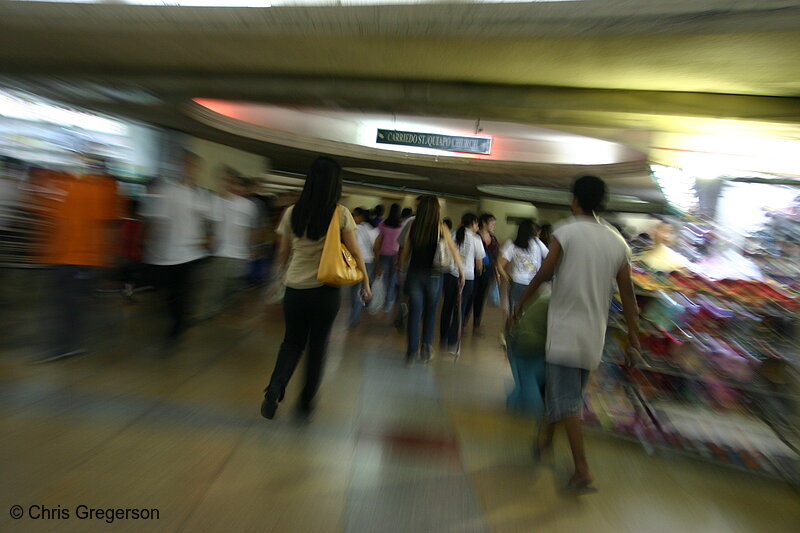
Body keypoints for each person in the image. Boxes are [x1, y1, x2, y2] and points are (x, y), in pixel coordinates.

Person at [510, 175, 641, 492]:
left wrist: (519, 306)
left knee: (566, 402)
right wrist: (635, 338)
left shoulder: (566, 231)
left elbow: (544, 272)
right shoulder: (617, 242)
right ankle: (543, 442)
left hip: (565, 330)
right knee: (564, 395)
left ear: (575, 200)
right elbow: (628, 295)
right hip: (594, 334)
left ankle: (582, 469)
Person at [261, 157, 371, 421]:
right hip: (325, 290)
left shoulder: (292, 212)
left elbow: (283, 254)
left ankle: (275, 386)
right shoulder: (340, 213)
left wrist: (277, 281)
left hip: (295, 289)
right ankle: (305, 404)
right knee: (318, 347)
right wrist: (365, 282)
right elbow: (355, 252)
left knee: (292, 341)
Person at [36, 162, 122, 362]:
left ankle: (66, 346)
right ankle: (69, 344)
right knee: (68, 303)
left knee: (68, 304)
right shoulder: (67, 183)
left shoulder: (102, 188)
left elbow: (109, 226)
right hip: (65, 258)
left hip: (82, 259)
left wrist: (107, 256)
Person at [140, 149, 213, 351]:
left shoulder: (202, 194)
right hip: (168, 253)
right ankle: (178, 321)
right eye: (185, 165)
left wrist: (208, 236)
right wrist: (150, 244)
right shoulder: (168, 190)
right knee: (170, 293)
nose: (189, 169)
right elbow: (156, 221)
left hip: (191, 253)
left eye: (193, 166)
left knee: (184, 292)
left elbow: (208, 221)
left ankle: (177, 329)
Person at [399, 196, 463, 364]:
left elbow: (406, 250)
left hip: (414, 274)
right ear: (436, 210)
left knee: (414, 312)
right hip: (434, 276)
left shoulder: (413, 226)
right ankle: (426, 348)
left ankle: (411, 351)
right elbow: (453, 251)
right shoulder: (441, 228)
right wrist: (461, 271)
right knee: (430, 313)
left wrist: (401, 268)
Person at [200, 167, 259, 320]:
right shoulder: (217, 201)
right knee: (215, 286)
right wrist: (208, 242)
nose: (234, 187)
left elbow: (251, 230)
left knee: (234, 287)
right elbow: (212, 226)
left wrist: (252, 249)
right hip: (221, 252)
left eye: (237, 184)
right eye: (230, 182)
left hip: (240, 254)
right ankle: (211, 312)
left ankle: (228, 311)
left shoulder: (248, 206)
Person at [440, 213, 484, 353]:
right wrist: (480, 272)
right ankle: (452, 342)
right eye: (477, 224)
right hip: (468, 278)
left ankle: (443, 337)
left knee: (447, 306)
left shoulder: (453, 234)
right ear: (473, 223)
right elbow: (479, 264)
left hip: (451, 275)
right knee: (460, 309)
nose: (478, 226)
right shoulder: (476, 239)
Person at [498, 219, 549, 313]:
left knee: (515, 312)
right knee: (529, 313)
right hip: (533, 284)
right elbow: (548, 257)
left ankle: (512, 327)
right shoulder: (537, 243)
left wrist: (507, 278)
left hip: (517, 283)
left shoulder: (512, 244)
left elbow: (499, 265)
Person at [350, 207, 378, 326]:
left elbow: (353, 248)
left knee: (355, 290)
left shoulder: (355, 229)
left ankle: (354, 317)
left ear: (361, 216)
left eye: (355, 215)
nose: (353, 217)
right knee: (365, 286)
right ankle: (367, 302)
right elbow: (376, 248)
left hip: (358, 262)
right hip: (370, 261)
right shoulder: (374, 230)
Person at [470, 213, 499, 332]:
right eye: (492, 224)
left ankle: (476, 323)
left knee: (481, 297)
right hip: (473, 270)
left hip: (487, 272)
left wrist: (496, 272)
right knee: (470, 296)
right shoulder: (474, 236)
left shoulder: (494, 240)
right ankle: (462, 322)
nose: (494, 226)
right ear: (483, 223)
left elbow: (495, 258)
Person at [373, 203, 403, 313]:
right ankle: (388, 302)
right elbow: (402, 243)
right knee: (392, 279)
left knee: (384, 278)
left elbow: (379, 240)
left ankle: (382, 300)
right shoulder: (401, 225)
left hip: (384, 254)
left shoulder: (383, 223)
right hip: (395, 255)